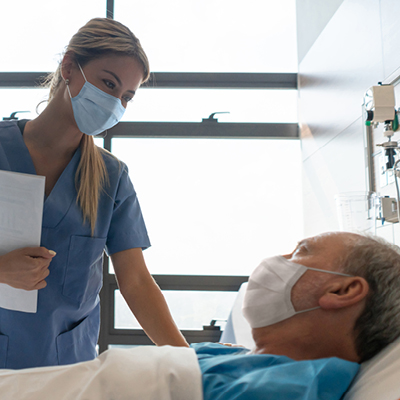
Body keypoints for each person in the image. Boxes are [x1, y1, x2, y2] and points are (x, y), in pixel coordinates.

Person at [0, 231, 399, 400]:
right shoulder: (247, 362)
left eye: (300, 252)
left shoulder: (287, 387)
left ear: (342, 291)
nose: (278, 260)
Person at [0, 17, 187, 370]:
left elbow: (136, 283)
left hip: (68, 367)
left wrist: (192, 365)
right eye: (108, 83)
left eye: (126, 96)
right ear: (69, 67)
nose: (114, 102)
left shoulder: (111, 179)